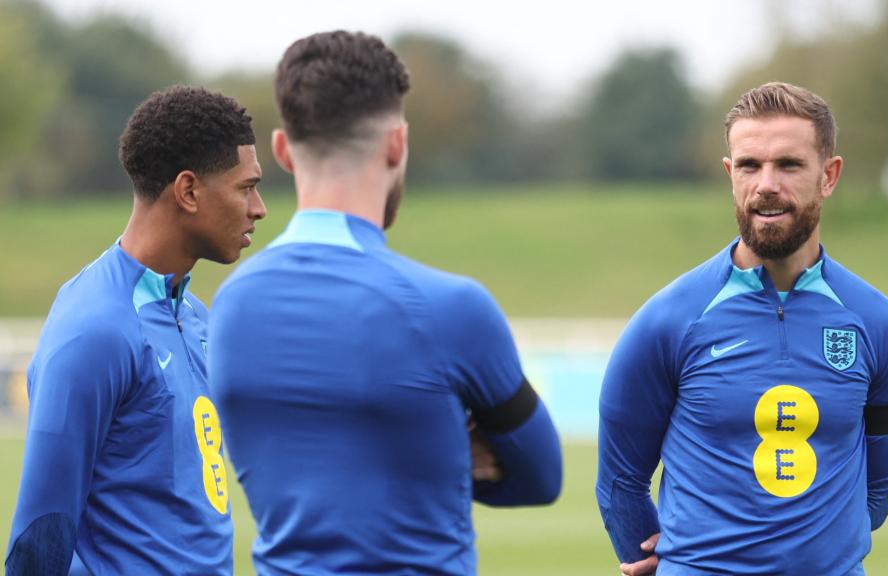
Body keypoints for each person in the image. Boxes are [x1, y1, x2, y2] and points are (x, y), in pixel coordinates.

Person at [207, 30, 562, 575]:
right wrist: (441, 456)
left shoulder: (230, 305)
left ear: (281, 151)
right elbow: (541, 476)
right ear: (397, 144)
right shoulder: (452, 307)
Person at [596, 82, 888, 575]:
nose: (766, 184)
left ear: (828, 176)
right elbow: (620, 481)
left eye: (788, 165)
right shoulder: (668, 320)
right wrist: (665, 559)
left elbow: (880, 489)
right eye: (749, 165)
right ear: (731, 174)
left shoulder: (878, 324)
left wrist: (815, 552)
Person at [6, 85, 266, 575]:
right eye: (246, 187)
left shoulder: (193, 315)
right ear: (188, 191)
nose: (259, 208)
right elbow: (40, 534)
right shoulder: (96, 327)